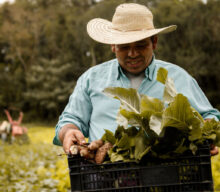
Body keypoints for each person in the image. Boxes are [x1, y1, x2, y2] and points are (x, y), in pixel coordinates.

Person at [53, 3, 219, 157]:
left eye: (140, 45)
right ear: (113, 46)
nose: (132, 54)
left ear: (154, 42)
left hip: (168, 173)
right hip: (105, 176)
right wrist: (68, 132)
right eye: (124, 47)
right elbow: (71, 119)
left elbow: (209, 116)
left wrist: (206, 133)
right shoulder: (91, 79)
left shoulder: (178, 77)